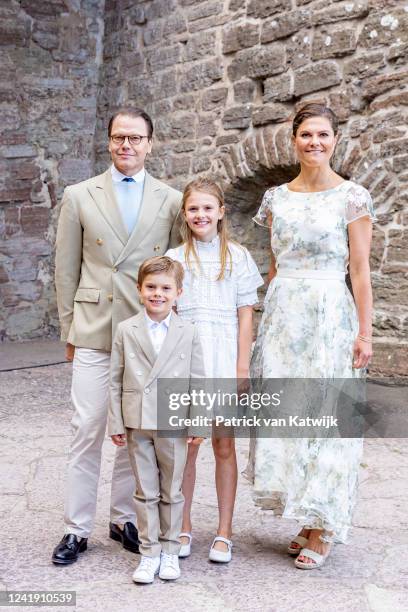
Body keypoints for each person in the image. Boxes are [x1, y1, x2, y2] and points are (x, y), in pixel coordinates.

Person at [244, 102, 375, 569]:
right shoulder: (276, 198)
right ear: (293, 140)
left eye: (323, 135)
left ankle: (323, 526)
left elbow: (359, 272)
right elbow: (275, 265)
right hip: (284, 317)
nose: (314, 142)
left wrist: (365, 333)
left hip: (328, 317)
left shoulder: (352, 197)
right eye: (306, 135)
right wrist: (264, 324)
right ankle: (306, 515)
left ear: (335, 139)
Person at [52, 108, 182, 565]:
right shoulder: (79, 194)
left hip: (145, 333)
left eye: (135, 138)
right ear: (108, 142)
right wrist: (70, 327)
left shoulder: (171, 199)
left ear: (150, 143)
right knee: (86, 429)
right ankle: (76, 528)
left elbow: (174, 267)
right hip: (94, 327)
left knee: (136, 429)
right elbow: (66, 268)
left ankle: (123, 517)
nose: (126, 145)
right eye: (118, 138)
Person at [166, 177, 263, 563]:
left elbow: (245, 316)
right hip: (189, 362)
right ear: (185, 214)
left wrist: (242, 367)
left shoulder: (237, 256)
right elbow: (168, 316)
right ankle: (183, 525)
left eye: (208, 208)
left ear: (221, 212)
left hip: (224, 357)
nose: (200, 215)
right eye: (193, 209)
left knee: (224, 443)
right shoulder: (174, 258)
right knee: (187, 446)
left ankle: (224, 530)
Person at [109, 256, 206, 583]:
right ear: (139, 290)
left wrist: (198, 423)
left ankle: (169, 550)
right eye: (151, 287)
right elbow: (115, 379)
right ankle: (148, 553)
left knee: (171, 491)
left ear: (178, 292)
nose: (158, 294)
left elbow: (198, 380)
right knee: (144, 490)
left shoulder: (188, 331)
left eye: (166, 288)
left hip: (174, 419)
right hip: (138, 421)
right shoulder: (126, 329)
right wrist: (116, 423)